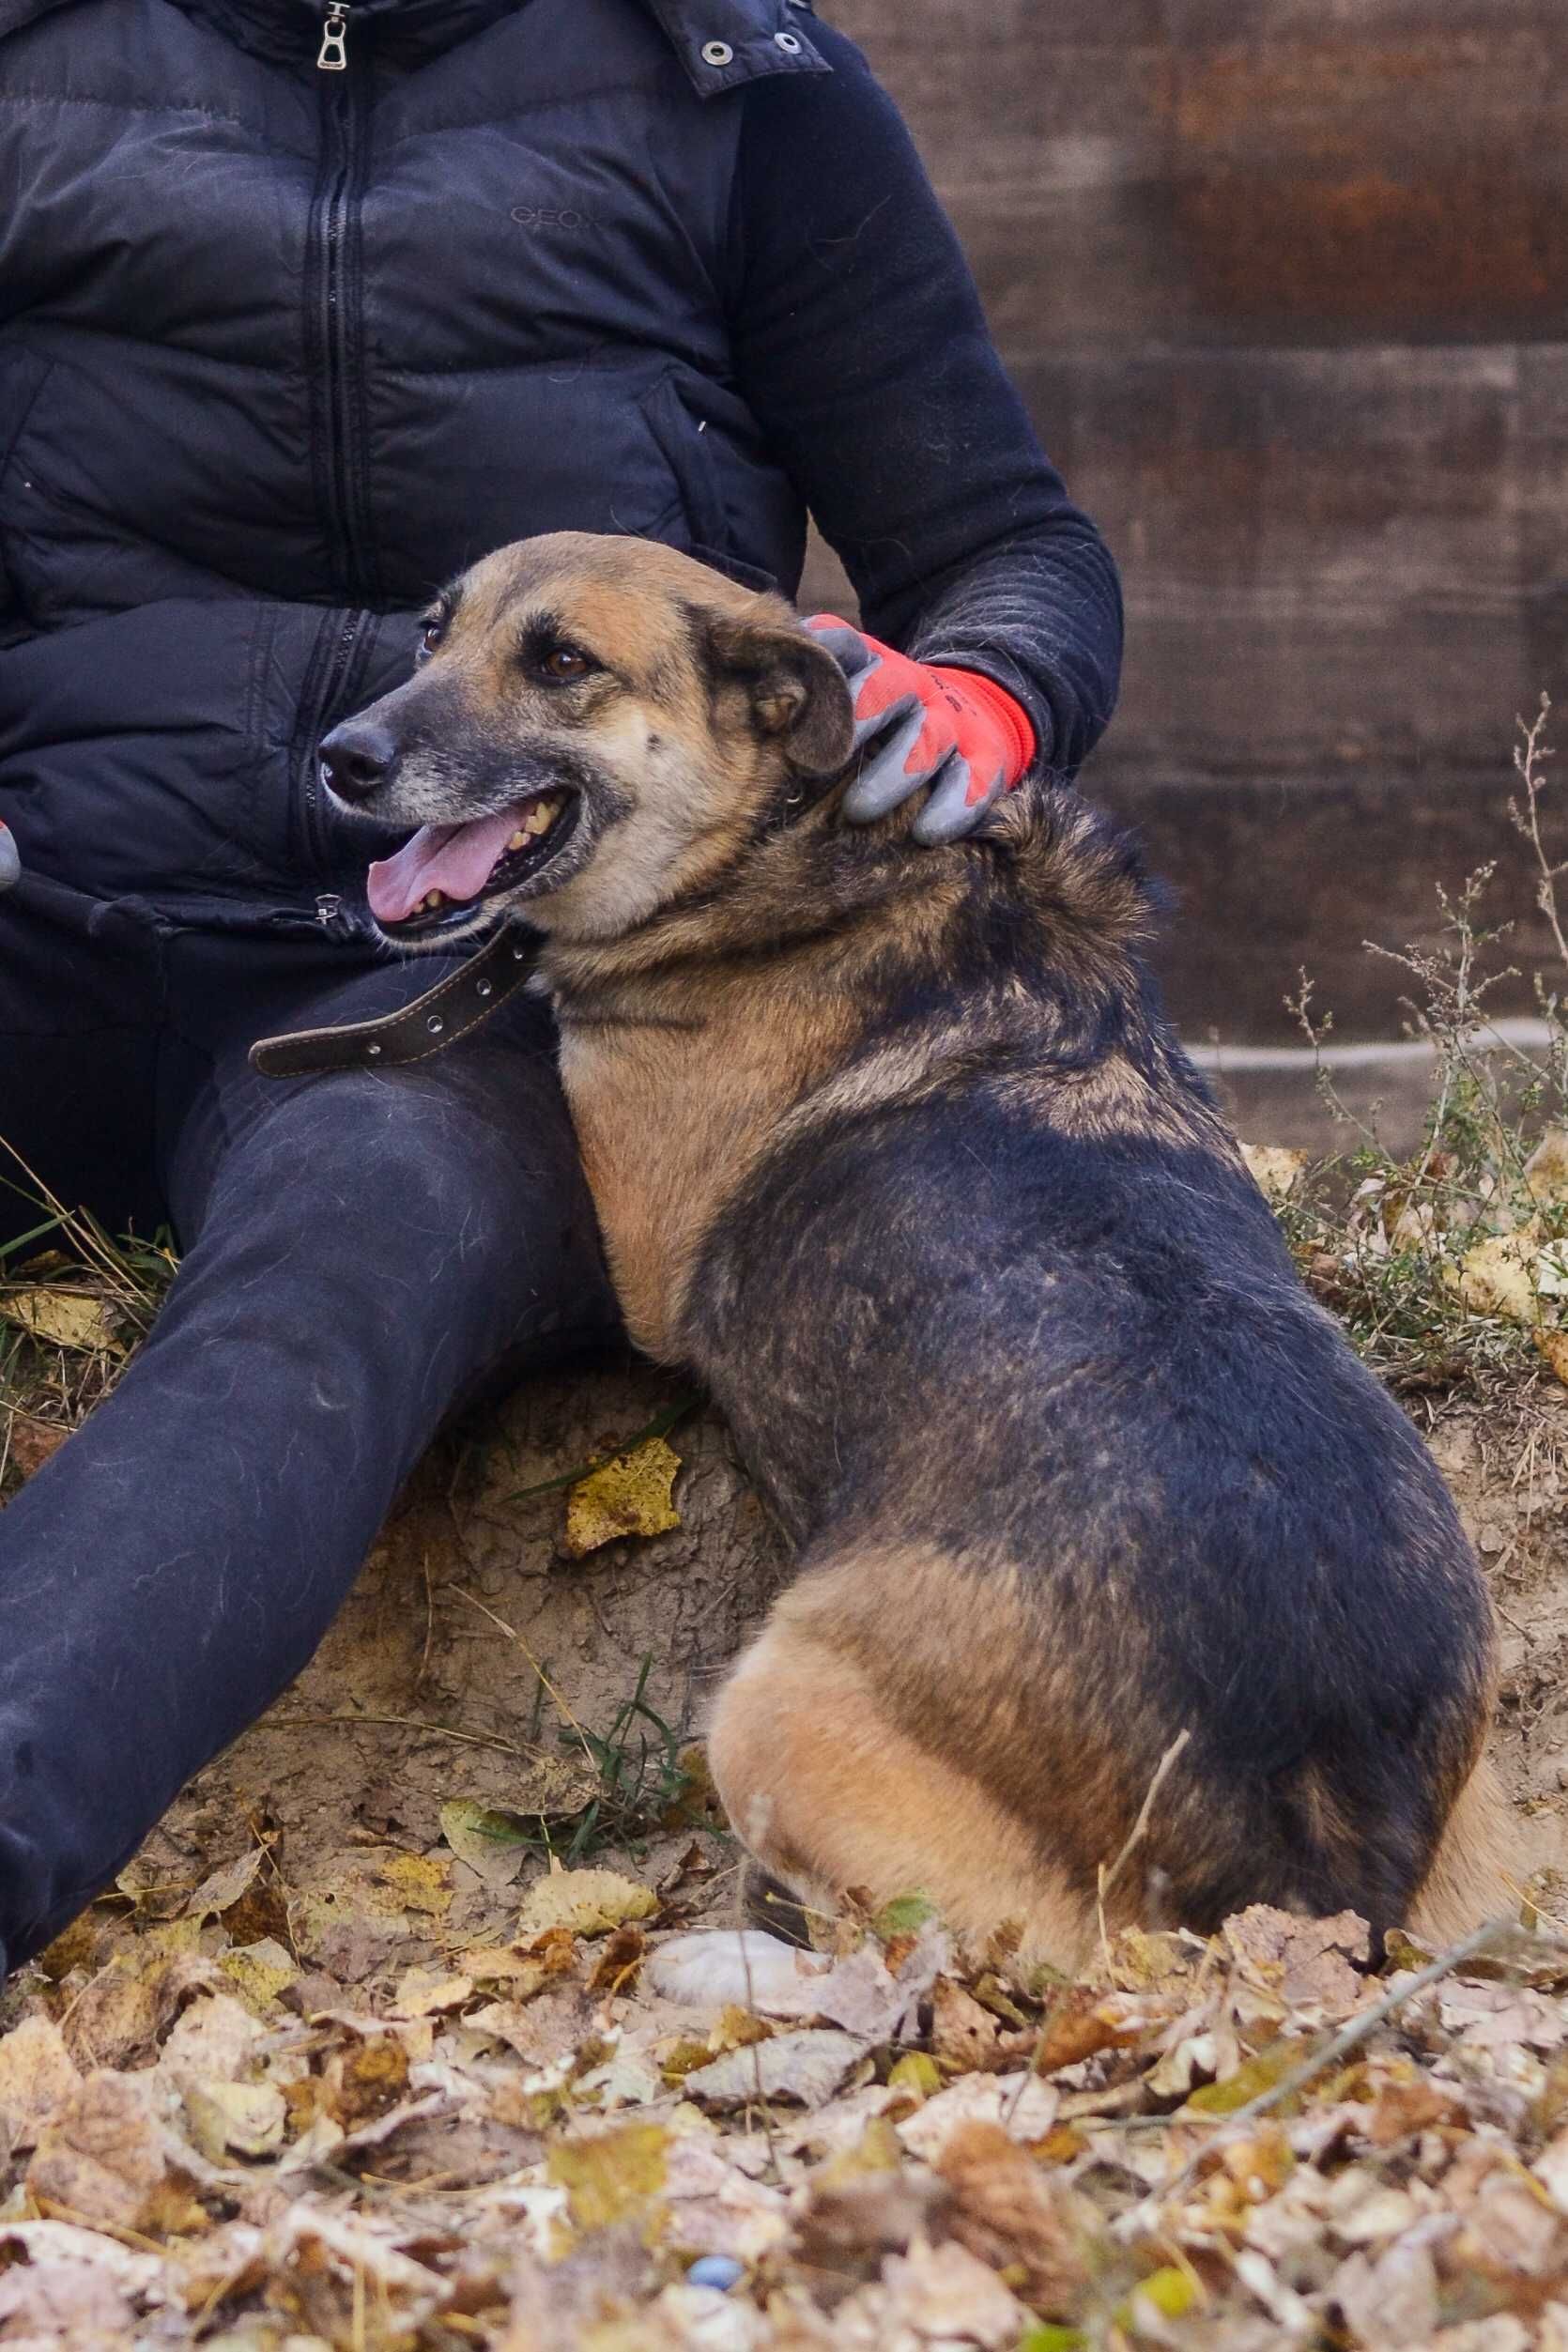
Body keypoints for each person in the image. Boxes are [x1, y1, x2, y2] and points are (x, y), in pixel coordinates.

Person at [0, 0, 1121, 1976]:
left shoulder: (738, 95)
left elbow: (1008, 553)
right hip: (50, 891)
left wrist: (977, 693)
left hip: (467, 1011)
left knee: (340, 1264)